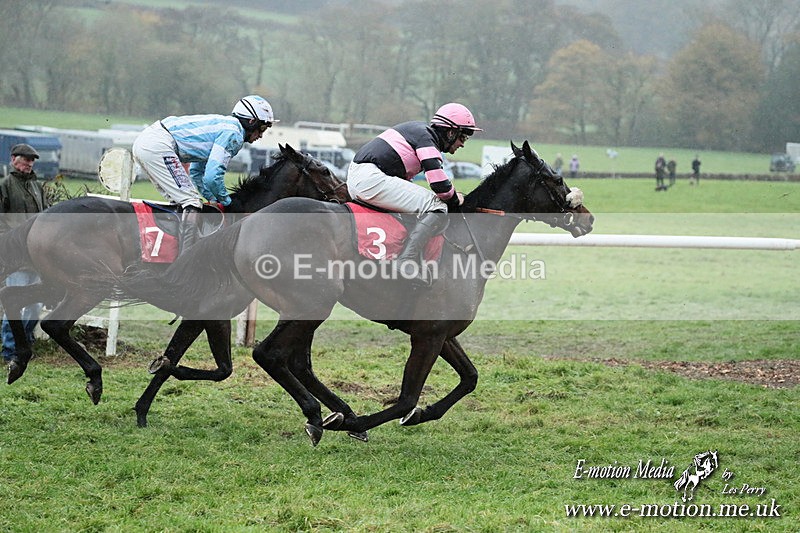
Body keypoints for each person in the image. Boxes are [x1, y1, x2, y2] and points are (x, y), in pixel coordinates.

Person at [347, 102, 482, 285]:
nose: (462, 145)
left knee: (423, 204)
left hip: (363, 177)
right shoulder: (426, 138)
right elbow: (439, 185)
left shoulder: (420, 132)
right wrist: (455, 198)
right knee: (437, 205)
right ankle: (406, 260)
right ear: (451, 133)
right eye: (463, 138)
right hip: (369, 178)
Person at [133, 95, 277, 252]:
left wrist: (213, 199)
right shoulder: (234, 134)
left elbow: (197, 172)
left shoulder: (225, 126)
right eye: (262, 128)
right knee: (191, 202)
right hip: (157, 145)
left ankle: (169, 250)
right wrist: (227, 202)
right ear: (251, 122)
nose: (261, 135)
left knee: (182, 202)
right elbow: (212, 177)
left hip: (148, 142)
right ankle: (186, 258)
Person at [0, 144, 49, 362]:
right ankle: (10, 349)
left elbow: (46, 217)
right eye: (25, 159)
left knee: (35, 305)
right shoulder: (5, 186)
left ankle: (25, 344)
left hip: (37, 256)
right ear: (13, 160)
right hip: (16, 256)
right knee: (15, 304)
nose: (29, 163)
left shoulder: (37, 187)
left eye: (32, 160)